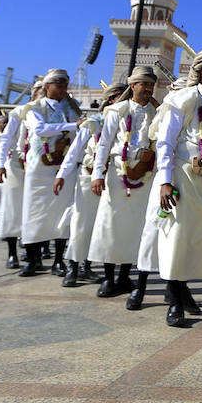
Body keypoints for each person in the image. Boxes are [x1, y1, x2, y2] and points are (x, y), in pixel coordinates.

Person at [153, 49, 202, 327]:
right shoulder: (182, 98)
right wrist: (165, 181)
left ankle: (181, 287)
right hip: (182, 177)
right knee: (177, 237)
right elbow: (165, 142)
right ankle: (175, 300)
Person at [88, 67, 159, 299]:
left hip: (145, 173)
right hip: (118, 173)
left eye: (151, 84)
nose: (148, 88)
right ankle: (108, 278)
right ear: (133, 86)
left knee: (136, 227)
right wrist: (97, 174)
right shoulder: (116, 110)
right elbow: (104, 144)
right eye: (143, 84)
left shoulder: (158, 112)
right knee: (111, 224)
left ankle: (124, 277)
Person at [56, 83, 126, 287]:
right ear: (112, 99)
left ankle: (88, 266)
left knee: (104, 227)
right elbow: (75, 151)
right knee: (82, 224)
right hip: (88, 179)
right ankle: (73, 267)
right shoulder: (94, 122)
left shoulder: (125, 122)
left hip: (113, 181)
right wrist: (61, 174)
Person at [19, 70, 81, 276]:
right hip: (40, 166)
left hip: (64, 165)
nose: (64, 90)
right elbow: (40, 129)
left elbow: (80, 130)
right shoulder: (33, 108)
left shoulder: (71, 108)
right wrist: (73, 125)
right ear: (47, 87)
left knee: (62, 213)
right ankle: (33, 259)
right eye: (59, 86)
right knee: (34, 211)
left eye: (65, 86)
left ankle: (58, 260)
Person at [0, 83, 41, 268]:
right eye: (41, 93)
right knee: (13, 209)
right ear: (33, 95)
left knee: (36, 211)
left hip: (39, 165)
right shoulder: (19, 112)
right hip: (15, 164)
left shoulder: (52, 115)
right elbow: (6, 139)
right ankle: (12, 252)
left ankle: (34, 253)